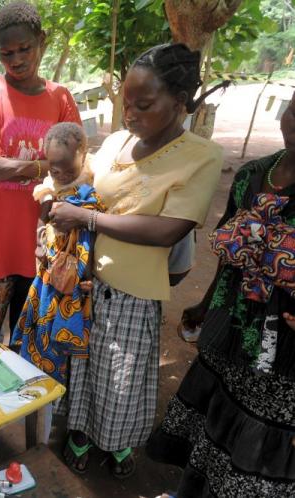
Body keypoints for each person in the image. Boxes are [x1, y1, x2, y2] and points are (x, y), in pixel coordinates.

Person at [47, 43, 226, 479]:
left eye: (143, 105)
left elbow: (170, 229)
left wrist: (88, 217)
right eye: (126, 103)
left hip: (133, 292)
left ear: (179, 101)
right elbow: (82, 185)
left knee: (121, 379)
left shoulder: (201, 156)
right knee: (82, 367)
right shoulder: (116, 142)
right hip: (83, 282)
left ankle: (118, 441)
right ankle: (80, 434)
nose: (130, 115)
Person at [145, 95, 295, 498]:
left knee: (256, 448)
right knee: (214, 427)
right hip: (229, 325)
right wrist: (206, 303)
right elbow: (229, 259)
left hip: (283, 353)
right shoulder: (252, 175)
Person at [0, 1, 81, 342]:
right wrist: (49, 166)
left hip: (44, 240)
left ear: (41, 40)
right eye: (6, 53)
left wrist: (22, 166)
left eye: (24, 49)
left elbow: (76, 165)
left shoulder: (61, 98)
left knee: (29, 343)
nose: (16, 60)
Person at [11, 123, 102, 385]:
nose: (60, 173)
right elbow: (45, 215)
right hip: (57, 256)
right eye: (53, 168)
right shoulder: (50, 184)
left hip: (83, 252)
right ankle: (45, 362)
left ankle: (65, 368)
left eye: (67, 168)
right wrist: (39, 242)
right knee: (52, 301)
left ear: (83, 154)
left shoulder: (94, 174)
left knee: (75, 302)